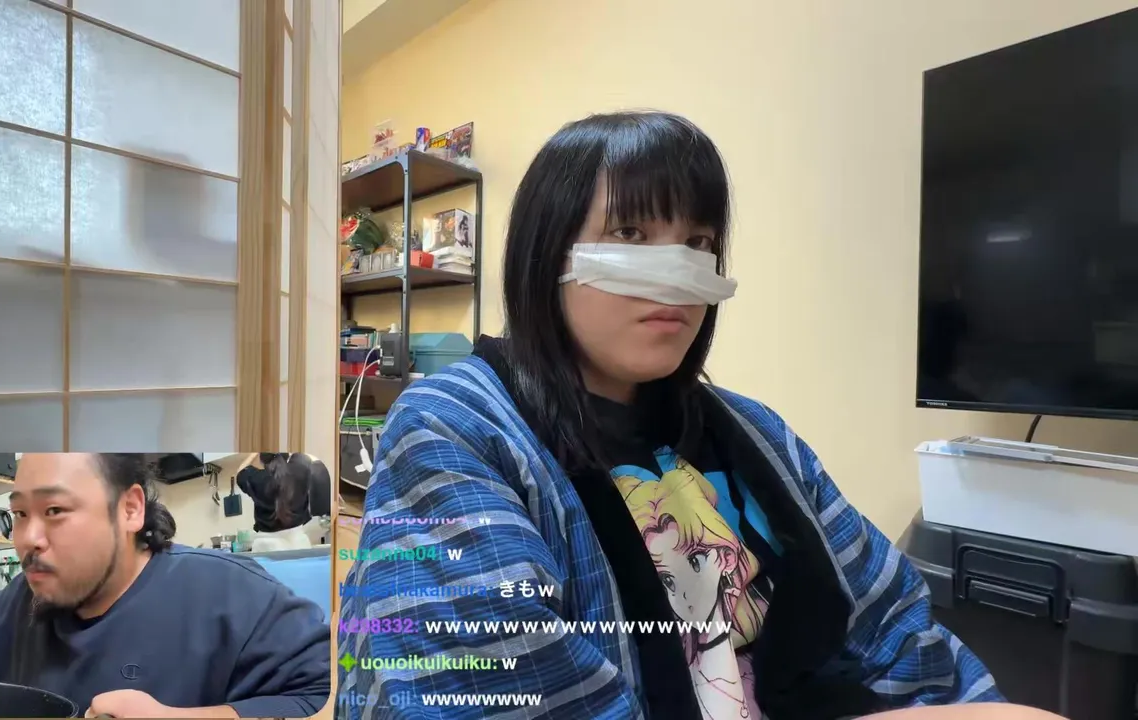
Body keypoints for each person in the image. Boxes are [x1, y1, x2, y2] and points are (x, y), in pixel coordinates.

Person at [335, 111, 1063, 720]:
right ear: (544, 252)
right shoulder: (452, 430)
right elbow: (490, 690)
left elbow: (891, 621)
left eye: (699, 244)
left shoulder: (758, 435)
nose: (678, 273)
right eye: (630, 234)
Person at [0, 453, 331, 718]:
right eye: (18, 514)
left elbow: (330, 697)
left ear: (130, 509)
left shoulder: (234, 595)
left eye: (54, 511)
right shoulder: (27, 595)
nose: (28, 539)